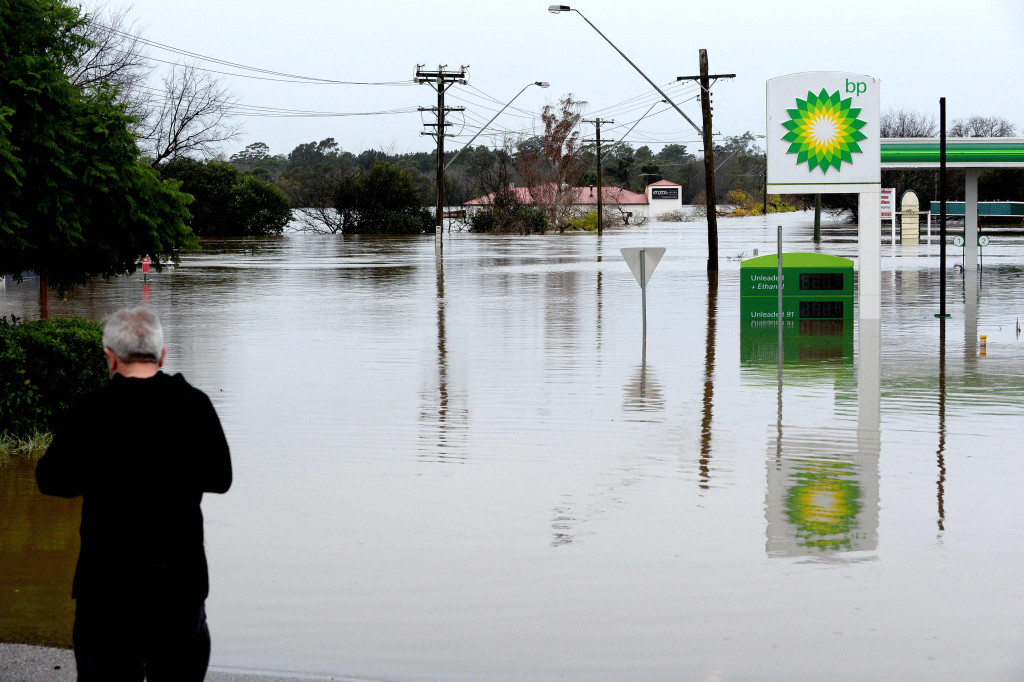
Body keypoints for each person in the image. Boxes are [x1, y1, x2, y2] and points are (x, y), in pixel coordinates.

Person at [37, 306, 232, 681]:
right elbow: (221, 478)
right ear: (162, 354)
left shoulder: (91, 409)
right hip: (179, 585)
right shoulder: (193, 404)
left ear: (109, 356)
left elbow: (51, 480)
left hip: (106, 587)